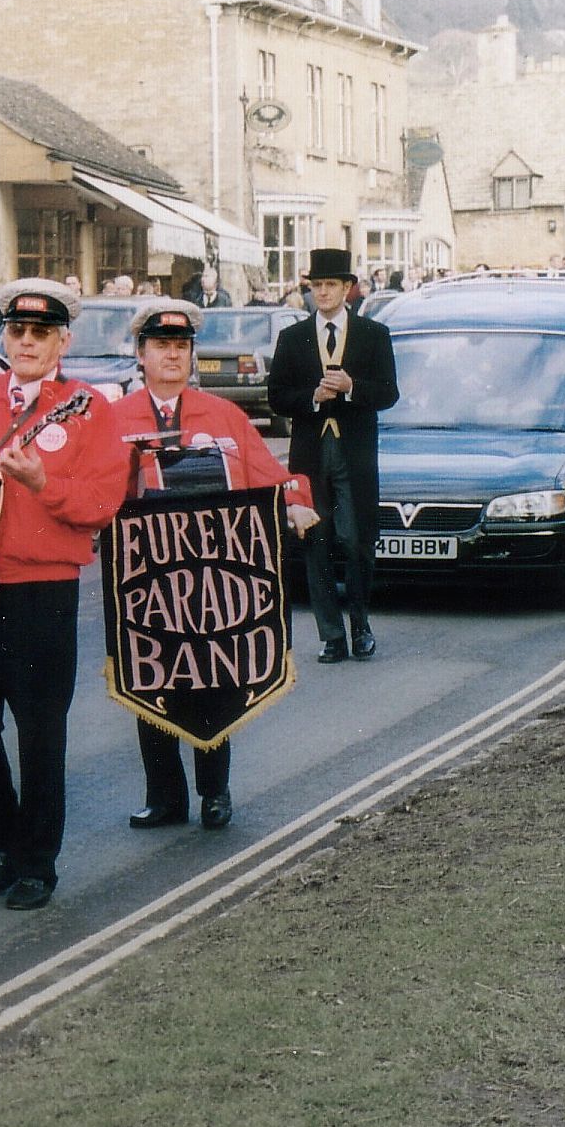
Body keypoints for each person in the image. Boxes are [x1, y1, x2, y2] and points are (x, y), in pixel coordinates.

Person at [0, 280, 129, 911]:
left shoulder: (88, 408)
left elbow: (103, 503)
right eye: (17, 331)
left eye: (40, 333)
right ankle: (3, 839)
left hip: (42, 593)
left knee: (40, 734)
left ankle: (36, 865)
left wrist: (45, 481)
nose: (26, 342)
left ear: (62, 341)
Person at [116, 301, 317, 828]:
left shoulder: (224, 416)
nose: (172, 356)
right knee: (149, 676)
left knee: (213, 679)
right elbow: (96, 493)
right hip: (144, 580)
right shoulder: (114, 421)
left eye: (181, 347)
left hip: (214, 575)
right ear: (141, 354)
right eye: (161, 346)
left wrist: (294, 499)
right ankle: (164, 797)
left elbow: (269, 474)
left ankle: (214, 792)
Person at [267, 248, 398, 665]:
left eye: (330, 285)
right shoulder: (292, 337)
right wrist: (313, 397)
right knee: (316, 541)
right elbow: (276, 398)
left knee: (357, 541)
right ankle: (331, 637)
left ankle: (361, 627)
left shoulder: (373, 334)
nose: (322, 293)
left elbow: (389, 393)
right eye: (316, 285)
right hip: (310, 453)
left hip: (354, 453)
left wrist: (351, 387)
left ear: (347, 289)